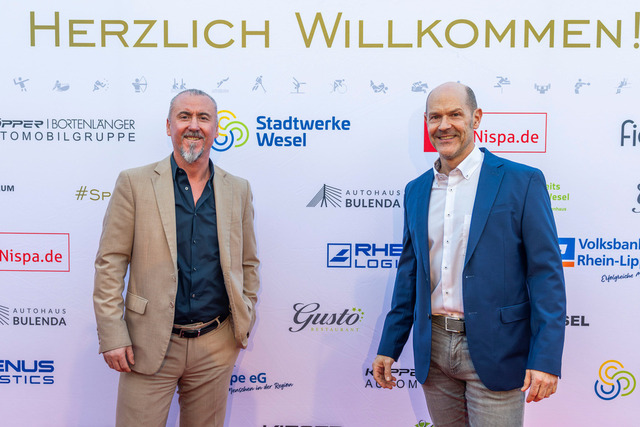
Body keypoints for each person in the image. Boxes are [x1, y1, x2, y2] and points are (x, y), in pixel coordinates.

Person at [373, 82, 565, 426]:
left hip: (498, 348)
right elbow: (409, 275)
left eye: (454, 114)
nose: (444, 125)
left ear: (476, 118)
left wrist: (546, 358)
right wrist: (389, 345)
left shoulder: (522, 181)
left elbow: (545, 275)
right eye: (435, 117)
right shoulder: (416, 190)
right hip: (433, 351)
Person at [93, 89, 260, 427]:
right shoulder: (134, 183)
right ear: (169, 126)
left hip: (216, 345)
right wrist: (112, 333)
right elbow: (110, 262)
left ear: (216, 129)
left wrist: (244, 315)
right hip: (147, 342)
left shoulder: (238, 188)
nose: (193, 125)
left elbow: (248, 262)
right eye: (184, 116)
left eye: (203, 117)